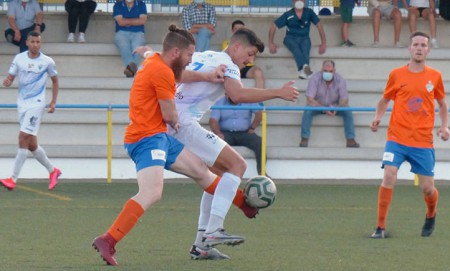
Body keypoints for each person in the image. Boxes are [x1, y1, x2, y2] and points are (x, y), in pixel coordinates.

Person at [164, 27, 297, 259]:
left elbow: (174, 73)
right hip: (182, 124)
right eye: (250, 53)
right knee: (238, 166)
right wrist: (278, 92)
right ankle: (214, 230)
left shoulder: (204, 55)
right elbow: (238, 96)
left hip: (170, 121)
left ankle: (201, 246)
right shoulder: (229, 65)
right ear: (236, 47)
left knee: (218, 178)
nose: (250, 60)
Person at [370, 31, 449, 239]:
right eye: (416, 44)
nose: (420, 48)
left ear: (428, 50)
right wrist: (378, 117)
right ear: (409, 48)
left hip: (423, 142)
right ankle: (380, 227)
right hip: (396, 138)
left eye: (423, 45)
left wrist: (445, 126)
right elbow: (385, 99)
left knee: (428, 188)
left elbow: (442, 104)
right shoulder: (397, 74)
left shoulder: (435, 76)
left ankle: (431, 214)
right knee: (388, 175)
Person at [1, 31, 61, 191]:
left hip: (37, 103)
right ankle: (53, 170)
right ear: (27, 43)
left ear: (40, 43)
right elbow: (10, 78)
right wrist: (7, 81)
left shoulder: (47, 61)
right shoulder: (19, 59)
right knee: (31, 144)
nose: (35, 44)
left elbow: (55, 81)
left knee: (23, 137)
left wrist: (53, 101)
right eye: (32, 42)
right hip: (22, 104)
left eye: (38, 42)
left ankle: (12, 179)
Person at [299, 59, 360, 148]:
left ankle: (350, 140)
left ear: (334, 71)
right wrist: (324, 108)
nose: (328, 73)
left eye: (330, 71)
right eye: (325, 71)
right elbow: (310, 99)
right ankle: (304, 139)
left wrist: (337, 108)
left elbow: (345, 100)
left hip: (334, 107)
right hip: (317, 106)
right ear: (321, 70)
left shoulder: (340, 80)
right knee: (308, 110)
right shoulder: (314, 79)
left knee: (348, 111)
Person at [269, 0, 327, 80]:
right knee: (295, 48)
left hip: (305, 38)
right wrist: (271, 42)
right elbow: (273, 25)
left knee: (305, 49)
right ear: (293, 1)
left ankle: (303, 72)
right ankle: (306, 67)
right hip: (290, 38)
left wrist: (323, 42)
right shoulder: (288, 14)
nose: (299, 1)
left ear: (304, 1)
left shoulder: (309, 12)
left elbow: (319, 26)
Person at [210, 96, 267, 176]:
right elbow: (213, 121)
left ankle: (262, 172)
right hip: (226, 134)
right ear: (227, 93)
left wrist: (252, 127)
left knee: (259, 142)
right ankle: (217, 173)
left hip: (244, 133)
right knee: (215, 143)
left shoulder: (249, 100)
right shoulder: (220, 102)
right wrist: (218, 133)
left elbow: (259, 113)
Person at [222, 20, 265, 88]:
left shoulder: (250, 44)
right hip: (233, 66)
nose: (251, 60)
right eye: (236, 29)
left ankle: (260, 96)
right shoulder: (227, 44)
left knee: (258, 72)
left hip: (245, 68)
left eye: (241, 29)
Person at [113, 0, 147, 77]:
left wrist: (126, 21)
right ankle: (134, 71)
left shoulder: (141, 4)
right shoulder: (117, 5)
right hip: (121, 33)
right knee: (124, 47)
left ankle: (130, 71)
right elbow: (120, 22)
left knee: (137, 48)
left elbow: (142, 21)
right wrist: (135, 21)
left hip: (138, 33)